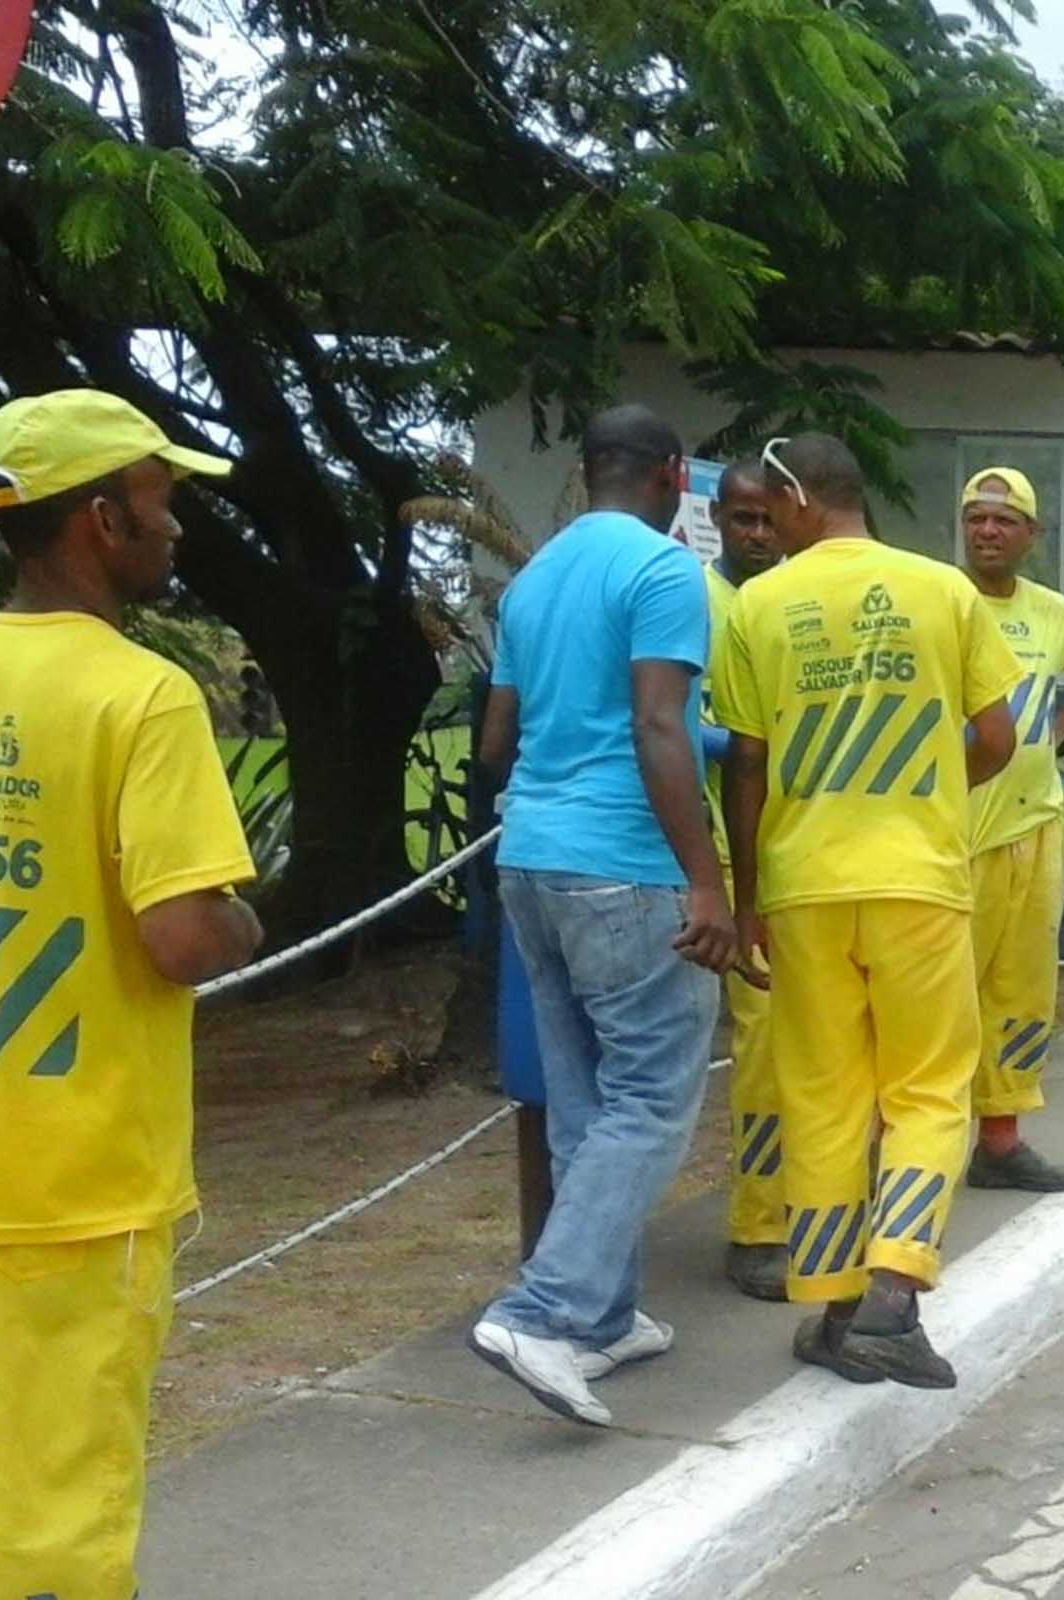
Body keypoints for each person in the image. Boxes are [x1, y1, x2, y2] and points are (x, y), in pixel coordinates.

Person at [0, 389, 263, 1598]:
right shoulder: (142, 694)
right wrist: (245, 919)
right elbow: (182, 935)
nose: (176, 525)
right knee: (60, 1517)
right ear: (99, 519)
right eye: (158, 498)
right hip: (79, 1174)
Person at [718, 433, 1021, 1389]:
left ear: (802, 497)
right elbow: (998, 737)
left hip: (803, 886)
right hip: (917, 879)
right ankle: (893, 1294)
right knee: (927, 1087)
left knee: (823, 1094)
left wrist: (746, 902)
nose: (766, 527)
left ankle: (836, 1309)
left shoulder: (757, 604)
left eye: (772, 507)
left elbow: (747, 762)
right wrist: (929, 789)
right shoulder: (944, 590)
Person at [472, 404, 739, 1428]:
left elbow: (497, 743)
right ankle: (542, 1312)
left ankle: (604, 1318)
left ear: (589, 472)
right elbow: (657, 724)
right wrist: (706, 884)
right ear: (674, 475)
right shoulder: (665, 571)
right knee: (650, 1102)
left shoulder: (534, 580)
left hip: (531, 858)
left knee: (585, 1103)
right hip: (624, 865)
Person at [956, 468, 1064, 1192]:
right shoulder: (939, 599)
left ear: (1032, 534)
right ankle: (891, 1151)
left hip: (1037, 827)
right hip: (955, 835)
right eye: (976, 518)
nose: (987, 530)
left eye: (1003, 520)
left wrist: (1060, 726)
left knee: (1023, 992)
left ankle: (1000, 1143)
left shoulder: (1054, 613)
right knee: (938, 997)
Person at [705, 463, 794, 1302]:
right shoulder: (695, 602)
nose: (759, 534)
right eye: (744, 519)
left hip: (800, 856)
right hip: (721, 857)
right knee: (761, 1050)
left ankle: (813, 1200)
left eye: (770, 519)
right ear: (717, 518)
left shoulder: (796, 602)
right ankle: (759, 1225)